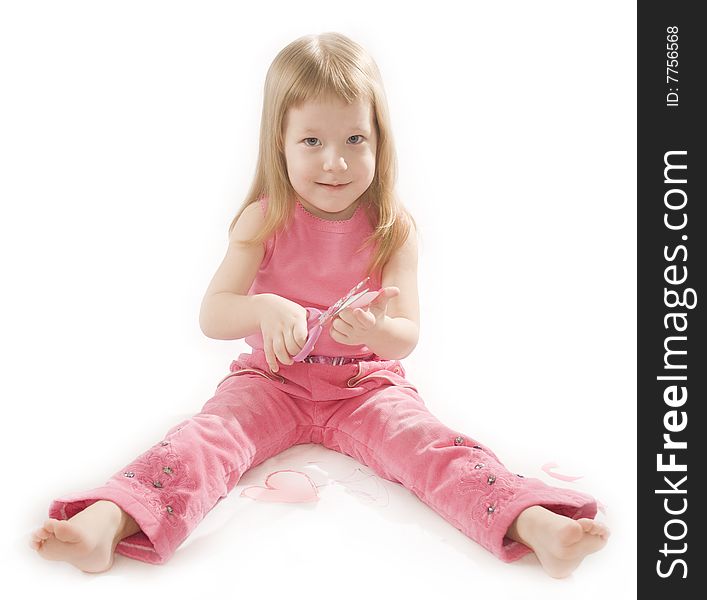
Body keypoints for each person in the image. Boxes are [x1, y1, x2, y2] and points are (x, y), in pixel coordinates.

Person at [29, 32, 609, 578]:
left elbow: (408, 335)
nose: (335, 162)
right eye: (312, 141)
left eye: (355, 139)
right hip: (270, 381)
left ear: (380, 140)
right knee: (202, 442)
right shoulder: (263, 219)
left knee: (434, 450)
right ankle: (105, 522)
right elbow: (213, 315)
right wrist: (264, 309)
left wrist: (378, 330)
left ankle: (536, 527)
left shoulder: (393, 228)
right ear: (278, 144)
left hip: (366, 387)